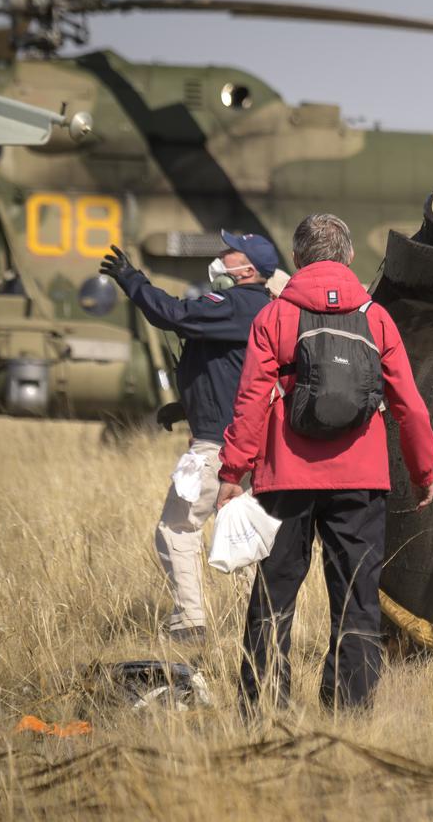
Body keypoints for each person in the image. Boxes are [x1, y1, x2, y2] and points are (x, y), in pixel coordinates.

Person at [216, 213, 433, 712]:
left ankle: (266, 708)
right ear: (350, 256)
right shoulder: (376, 317)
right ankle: (350, 709)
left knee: (275, 596)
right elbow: (410, 406)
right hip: (360, 480)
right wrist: (423, 472)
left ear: (296, 260)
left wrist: (233, 472)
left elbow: (250, 400)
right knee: (358, 598)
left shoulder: (275, 316)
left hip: (285, 478)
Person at [99, 232, 277, 641]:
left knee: (176, 527)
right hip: (253, 446)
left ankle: (189, 622)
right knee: (244, 539)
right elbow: (234, 375)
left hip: (217, 446)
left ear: (248, 269)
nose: (220, 256)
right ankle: (262, 629)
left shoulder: (235, 304)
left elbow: (173, 314)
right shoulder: (264, 308)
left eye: (229, 252)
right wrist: (185, 407)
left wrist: (132, 280)